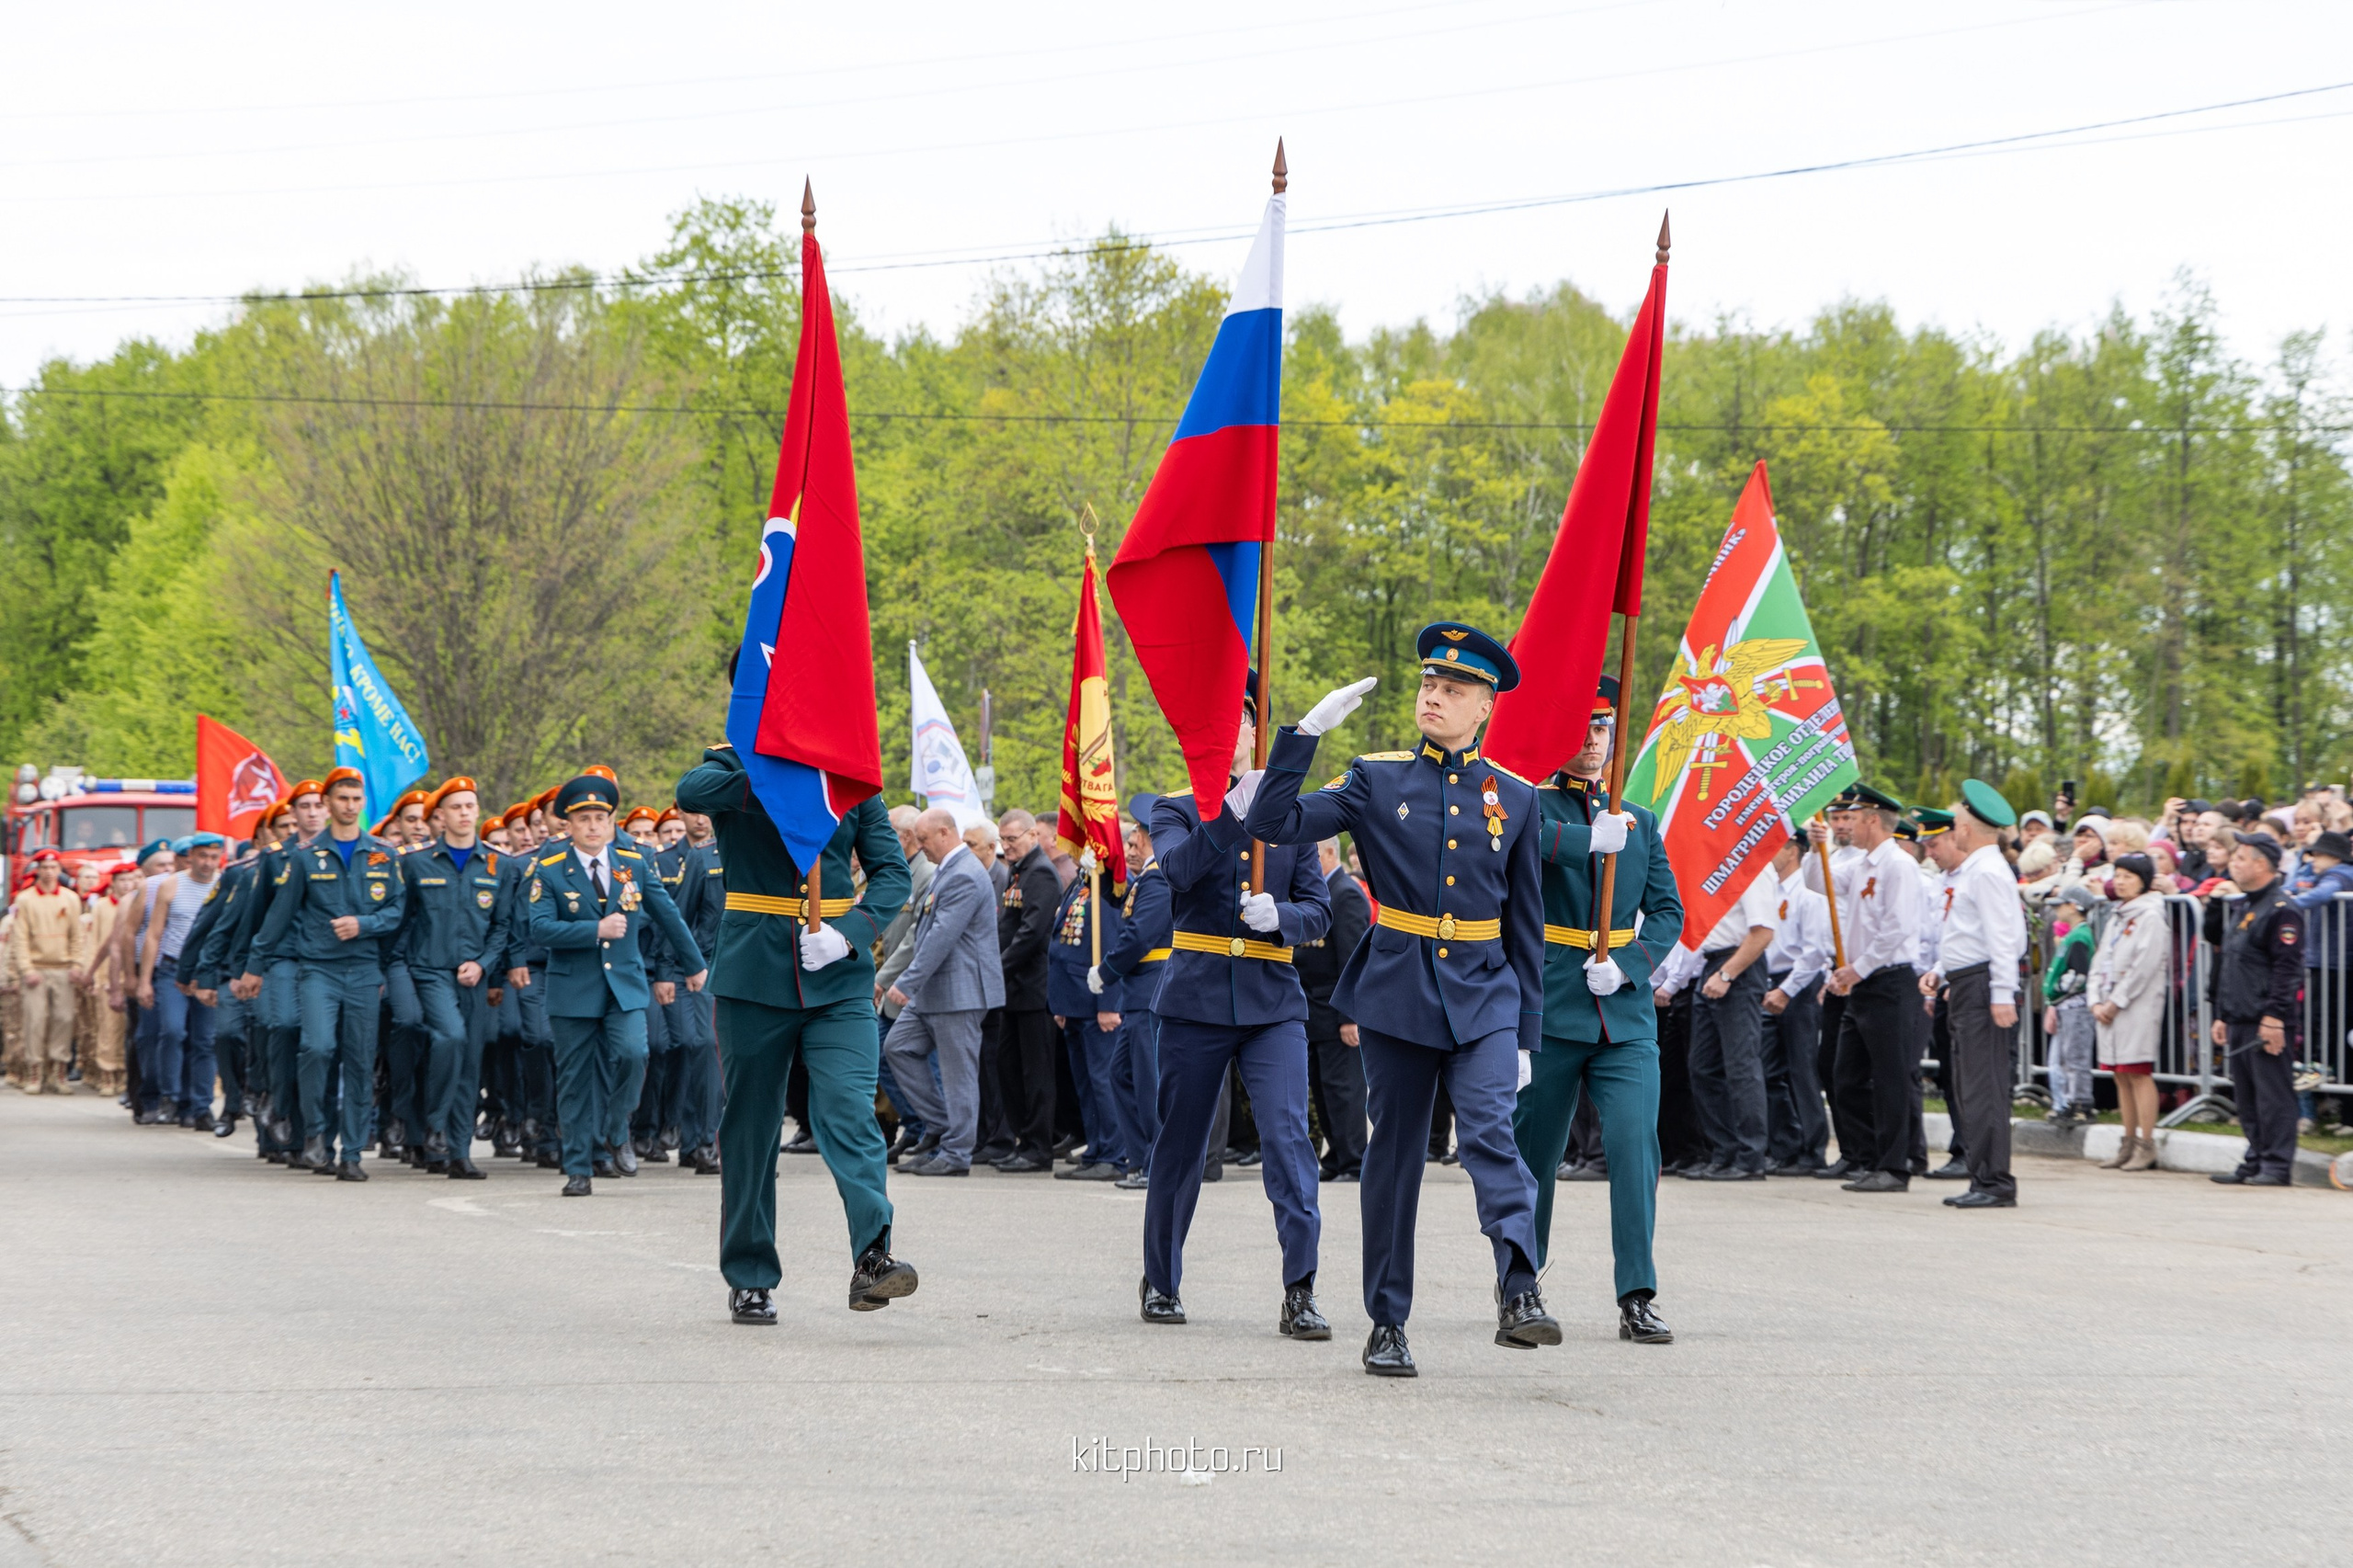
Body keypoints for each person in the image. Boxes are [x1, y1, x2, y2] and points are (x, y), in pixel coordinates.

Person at [1246, 622, 1553, 1378]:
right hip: (1398, 993)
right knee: (1394, 1159)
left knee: (1490, 1134)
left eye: (1453, 690)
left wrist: (1526, 1037)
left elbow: (1527, 922)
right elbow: (1269, 823)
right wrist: (1301, 738)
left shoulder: (1513, 798)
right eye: (1428, 685)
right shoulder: (1375, 778)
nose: (1434, 698)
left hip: (1485, 993)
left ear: (1485, 707)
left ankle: (1518, 1285)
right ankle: (1387, 1320)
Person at [675, 727, 915, 1326]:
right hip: (755, 973)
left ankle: (872, 1256)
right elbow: (690, 792)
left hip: (833, 971)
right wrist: (774, 768)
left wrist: (851, 934)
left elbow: (891, 873)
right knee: (752, 1127)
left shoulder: (850, 772)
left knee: (848, 1111)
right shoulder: (729, 765)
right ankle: (750, 1274)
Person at [1139, 672, 1333, 1339]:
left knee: (1288, 1140)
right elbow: (1177, 872)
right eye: (1222, 722)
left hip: (1273, 1000)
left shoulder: (1294, 816)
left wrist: (1282, 914)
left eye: (1245, 719)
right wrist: (1232, 815)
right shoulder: (1174, 808)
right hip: (1195, 998)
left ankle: (1300, 1288)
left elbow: (1319, 910)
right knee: (1182, 1146)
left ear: (1258, 729)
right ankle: (1161, 1278)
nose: (1235, 732)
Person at [1506, 676, 1683, 1344]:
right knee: (1536, 1156)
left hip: (1624, 1013)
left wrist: (1632, 963)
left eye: (1602, 730)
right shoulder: (1528, 804)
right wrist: (1586, 843)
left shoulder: (1640, 818)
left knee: (1636, 1147)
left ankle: (1637, 1293)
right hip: (1551, 1005)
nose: (1590, 743)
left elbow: (1668, 909)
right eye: (1580, 730)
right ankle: (1521, 1282)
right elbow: (1520, 853)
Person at [522, 773, 705, 1195]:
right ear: (567, 825)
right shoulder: (549, 871)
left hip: (623, 986)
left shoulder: (634, 864)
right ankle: (578, 1170)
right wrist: (594, 929)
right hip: (573, 990)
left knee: (634, 1053)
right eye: (583, 818)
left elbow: (669, 916)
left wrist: (694, 965)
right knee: (575, 1080)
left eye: (599, 818)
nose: (592, 826)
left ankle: (616, 1124)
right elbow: (541, 928)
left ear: (611, 822)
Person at [244, 769, 407, 1178]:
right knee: (316, 1048)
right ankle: (316, 1132)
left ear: (362, 804)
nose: (350, 806)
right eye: (342, 799)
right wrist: (253, 967)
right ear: (329, 804)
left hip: (364, 970)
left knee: (358, 1060)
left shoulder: (383, 855)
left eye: (356, 799)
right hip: (319, 970)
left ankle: (351, 1153)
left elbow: (397, 911)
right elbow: (279, 916)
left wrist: (364, 925)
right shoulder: (305, 856)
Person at [1806, 783, 1925, 1193]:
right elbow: (1817, 882)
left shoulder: (1898, 865)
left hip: (1888, 980)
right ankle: (1863, 1155)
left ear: (1873, 820)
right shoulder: (1861, 866)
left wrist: (1858, 968)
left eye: (1853, 818)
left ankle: (1894, 1166)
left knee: (1889, 1076)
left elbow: (1898, 927)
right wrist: (1813, 846)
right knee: (1846, 1075)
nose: (1847, 825)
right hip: (1863, 982)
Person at [1922, 781, 2028, 1210]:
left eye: (1959, 825)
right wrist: (1941, 971)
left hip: (1984, 983)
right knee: (1969, 1083)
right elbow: (1965, 934)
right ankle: (1981, 1175)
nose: (1955, 831)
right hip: (1967, 980)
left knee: (1983, 1085)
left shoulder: (1987, 871)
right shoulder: (1976, 870)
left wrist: (2002, 992)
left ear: (1968, 828)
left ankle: (1994, 1181)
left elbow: (2005, 938)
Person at [883, 807, 1004, 1176]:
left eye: (924, 840)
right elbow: (925, 931)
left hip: (960, 991)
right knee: (897, 1047)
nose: (921, 847)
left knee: (958, 1074)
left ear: (944, 833)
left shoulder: (964, 873)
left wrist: (906, 982)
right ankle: (942, 1126)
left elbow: (941, 938)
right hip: (936, 990)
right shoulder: (948, 870)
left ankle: (956, 1154)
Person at [399, 777, 507, 1178]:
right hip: (429, 970)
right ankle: (435, 1123)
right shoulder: (416, 862)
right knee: (450, 1037)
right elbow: (403, 919)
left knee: (469, 1062)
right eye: (456, 807)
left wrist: (483, 963)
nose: (464, 813)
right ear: (439, 816)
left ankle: (458, 1151)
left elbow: (502, 925)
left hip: (473, 975)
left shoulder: (497, 864)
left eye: (470, 806)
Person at [2203, 833, 2302, 1186]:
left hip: (2266, 1019)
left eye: (2241, 858)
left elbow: (2287, 970)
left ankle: (2276, 1164)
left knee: (2272, 1095)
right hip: (2240, 1015)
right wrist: (2222, 1012)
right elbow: (2229, 962)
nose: (2234, 863)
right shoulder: (2245, 906)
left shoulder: (2282, 910)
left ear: (2262, 864)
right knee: (2247, 1096)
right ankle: (2256, 1157)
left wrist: (2274, 1017)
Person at [1684, 841, 1780, 1181]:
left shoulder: (1752, 869)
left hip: (1737, 967)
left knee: (1741, 1065)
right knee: (1702, 1067)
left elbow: (1762, 933)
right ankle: (1723, 1152)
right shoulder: (1720, 870)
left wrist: (1727, 974)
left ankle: (1750, 1156)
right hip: (1713, 963)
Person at [1092, 804, 1172, 1193]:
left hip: (1151, 989)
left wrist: (1106, 970)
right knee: (1123, 1074)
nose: (1131, 844)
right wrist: (1104, 868)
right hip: (1140, 992)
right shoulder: (1147, 879)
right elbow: (1117, 900)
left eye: (1134, 836)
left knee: (1147, 1080)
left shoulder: (1158, 879)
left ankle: (1156, 1162)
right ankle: (1140, 1157)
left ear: (1144, 834)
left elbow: (1139, 936)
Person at [1047, 846, 1129, 1181]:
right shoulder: (1083, 881)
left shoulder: (1108, 888)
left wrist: (1109, 1003)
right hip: (1075, 1002)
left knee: (1103, 1080)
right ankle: (1097, 1148)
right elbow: (1064, 944)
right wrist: (1061, 1003)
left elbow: (1111, 945)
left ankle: (1115, 1153)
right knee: (1085, 1083)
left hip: (1097, 1003)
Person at [1295, 835, 1372, 1183]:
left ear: (1329, 853)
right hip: (1313, 1009)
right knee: (1323, 1089)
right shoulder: (1319, 893)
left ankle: (1355, 1159)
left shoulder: (1345, 894)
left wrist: (1350, 1016)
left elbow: (1352, 960)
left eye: (1312, 852)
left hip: (1337, 1010)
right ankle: (1337, 1156)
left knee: (1344, 1089)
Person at [137, 833, 226, 1129]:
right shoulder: (171, 885)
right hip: (172, 971)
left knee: (205, 1040)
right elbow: (153, 934)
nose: (207, 863)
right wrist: (145, 980)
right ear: (190, 856)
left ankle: (200, 1108)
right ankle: (170, 1096)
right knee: (173, 1031)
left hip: (209, 973)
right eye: (202, 856)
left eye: (214, 857)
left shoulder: (226, 885)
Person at [988, 810, 1061, 1171]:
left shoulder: (1042, 873)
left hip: (1033, 989)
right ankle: (1023, 1140)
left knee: (1036, 1072)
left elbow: (1032, 933)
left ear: (1033, 835)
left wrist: (996, 968)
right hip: (1013, 990)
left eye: (1012, 839)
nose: (1006, 846)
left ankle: (1038, 1147)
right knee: (1009, 1067)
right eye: (1002, 840)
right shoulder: (1019, 872)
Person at [2090, 853, 2167, 1172]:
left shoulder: (2150, 916)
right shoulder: (2117, 915)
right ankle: (2127, 1140)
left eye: (2128, 876)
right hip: (2108, 1003)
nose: (2120, 882)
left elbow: (2144, 966)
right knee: (2119, 1073)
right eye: (2117, 875)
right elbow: (2100, 959)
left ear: (2144, 881)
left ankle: (2145, 1143)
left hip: (2136, 1004)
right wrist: (2095, 998)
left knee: (2137, 1071)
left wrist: (2116, 1001)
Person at [1759, 836, 1831, 1175]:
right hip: (1770, 982)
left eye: (1776, 845)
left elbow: (1814, 952)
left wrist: (1787, 990)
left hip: (1798, 985)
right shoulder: (1770, 890)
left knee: (1801, 1070)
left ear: (1793, 850)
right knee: (1770, 1071)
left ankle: (1811, 1149)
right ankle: (1784, 1147)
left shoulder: (1808, 895)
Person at [5, 850, 88, 1096]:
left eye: (53, 867)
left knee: (64, 1019)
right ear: (38, 870)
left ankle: (58, 1071)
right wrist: (26, 969)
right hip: (37, 969)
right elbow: (20, 938)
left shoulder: (71, 899)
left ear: (59, 871)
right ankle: (35, 1072)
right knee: (35, 1020)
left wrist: (77, 964)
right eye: (44, 867)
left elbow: (77, 936)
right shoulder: (26, 899)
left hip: (63, 968)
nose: (49, 872)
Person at [2040, 887, 2099, 1127]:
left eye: (2060, 905)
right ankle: (2068, 1102)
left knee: (2075, 1055)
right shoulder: (2074, 935)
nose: (2056, 910)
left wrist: (2058, 992)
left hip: (2075, 1005)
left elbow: (2079, 974)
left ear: (2074, 906)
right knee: (2066, 1055)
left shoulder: (2080, 937)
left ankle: (2081, 1104)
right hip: (2067, 1005)